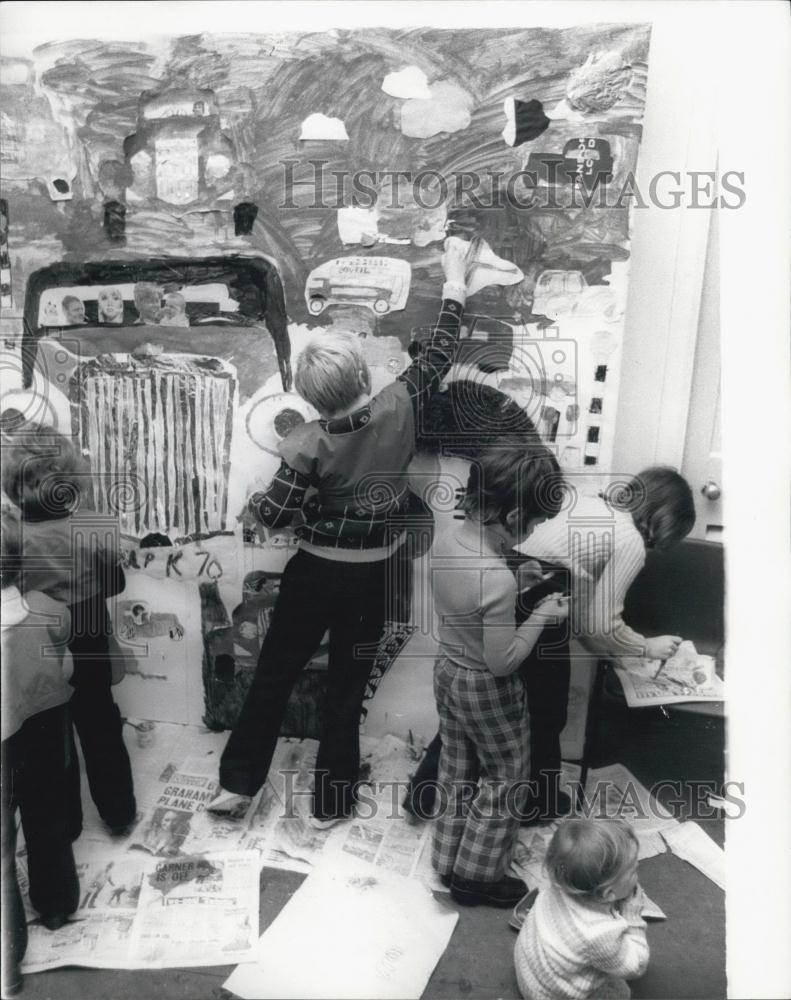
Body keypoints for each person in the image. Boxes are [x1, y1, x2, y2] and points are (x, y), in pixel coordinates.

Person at [210, 236, 476, 825]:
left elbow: (275, 514)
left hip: (315, 575)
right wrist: (455, 280)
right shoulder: (399, 404)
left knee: (274, 677)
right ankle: (332, 802)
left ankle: (236, 787)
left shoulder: (305, 442)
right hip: (375, 577)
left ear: (308, 396)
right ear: (361, 373)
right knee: (347, 690)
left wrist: (278, 508)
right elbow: (439, 352)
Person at [406, 466, 696, 823]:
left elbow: (584, 617)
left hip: (509, 574)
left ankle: (423, 795)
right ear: (665, 523)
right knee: (546, 711)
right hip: (539, 590)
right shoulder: (630, 541)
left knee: (475, 705)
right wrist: (646, 647)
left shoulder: (592, 506)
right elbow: (601, 623)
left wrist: (613, 651)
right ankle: (536, 805)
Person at [430, 445, 569, 907]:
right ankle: (477, 878)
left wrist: (513, 574)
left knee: (456, 766)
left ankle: (447, 859)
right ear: (512, 516)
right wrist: (541, 615)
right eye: (531, 524)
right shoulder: (497, 577)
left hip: (447, 671)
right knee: (505, 777)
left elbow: (472, 598)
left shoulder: (447, 541)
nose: (530, 533)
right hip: (486, 687)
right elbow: (503, 662)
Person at [1, 424, 137, 837]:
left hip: (38, 640)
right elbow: (115, 585)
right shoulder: (94, 524)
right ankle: (118, 811)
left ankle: (67, 826)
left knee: (51, 734)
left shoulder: (12, 535)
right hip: (88, 631)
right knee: (100, 723)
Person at [1, 508, 80, 996]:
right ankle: (57, 906)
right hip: (47, 727)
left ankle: (8, 962)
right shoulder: (47, 608)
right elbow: (66, 665)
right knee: (49, 819)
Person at [514, 818, 649, 999]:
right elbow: (636, 966)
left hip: (530, 972)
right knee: (620, 992)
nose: (637, 872)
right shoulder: (599, 933)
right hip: (551, 995)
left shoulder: (556, 885)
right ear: (607, 894)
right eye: (633, 871)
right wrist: (632, 915)